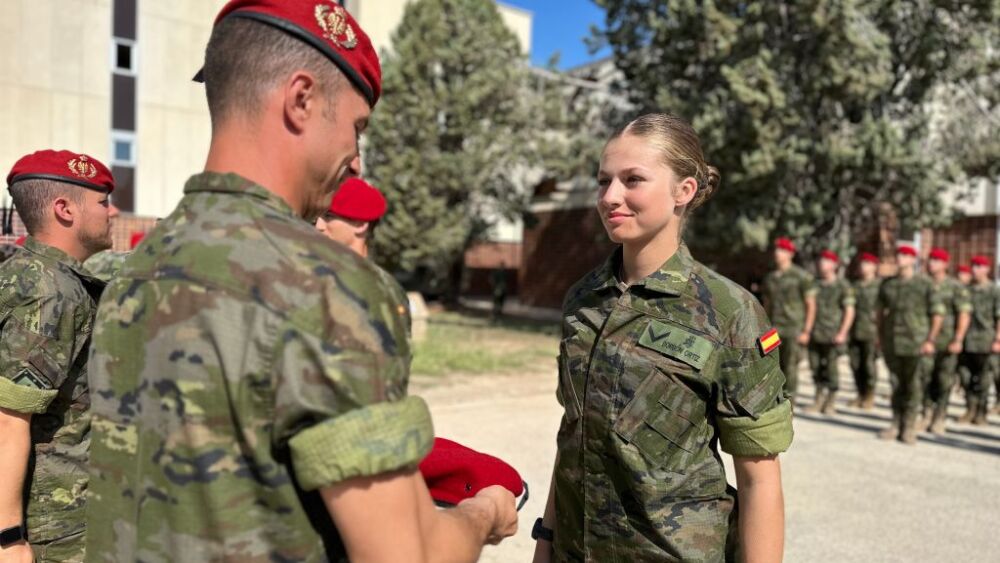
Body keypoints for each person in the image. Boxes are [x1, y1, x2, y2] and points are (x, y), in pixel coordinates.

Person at [84, 2, 516, 562]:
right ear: (302, 99)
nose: (356, 160)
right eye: (357, 129)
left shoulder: (127, 272)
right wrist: (483, 512)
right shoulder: (329, 287)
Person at [534, 114, 792, 563]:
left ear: (683, 191)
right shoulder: (584, 300)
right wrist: (546, 544)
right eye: (603, 181)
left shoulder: (730, 312)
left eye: (633, 180)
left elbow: (759, 477)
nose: (610, 197)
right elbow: (573, 436)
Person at [0, 150, 118, 563]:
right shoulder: (51, 291)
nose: (113, 211)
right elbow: (8, 417)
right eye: (103, 202)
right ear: (64, 209)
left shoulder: (25, 271)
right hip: (54, 524)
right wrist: (8, 538)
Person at [315, 177, 410, 333]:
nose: (318, 225)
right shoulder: (314, 274)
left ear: (360, 225)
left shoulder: (384, 291)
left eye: (329, 217)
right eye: (317, 217)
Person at [876, 244, 945, 444]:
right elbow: (880, 313)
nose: (901, 258)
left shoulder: (925, 284)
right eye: (899, 254)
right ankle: (896, 422)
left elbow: (937, 314)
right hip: (893, 342)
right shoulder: (887, 284)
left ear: (913, 260)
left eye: (906, 255)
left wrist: (930, 339)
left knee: (914, 386)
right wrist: (879, 337)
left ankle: (910, 426)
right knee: (896, 385)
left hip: (917, 344)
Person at [920, 248, 970, 434]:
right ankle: (925, 414)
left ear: (945, 264)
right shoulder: (922, 284)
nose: (931, 263)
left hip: (947, 341)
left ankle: (939, 417)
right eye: (930, 259)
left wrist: (958, 339)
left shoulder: (955, 287)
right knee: (924, 378)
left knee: (944, 380)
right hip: (924, 340)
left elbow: (964, 314)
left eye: (936, 260)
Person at [762, 237, 817, 402]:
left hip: (793, 329)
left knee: (790, 366)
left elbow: (811, 305)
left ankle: (789, 401)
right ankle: (772, 398)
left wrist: (806, 331)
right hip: (772, 330)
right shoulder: (770, 278)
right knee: (769, 364)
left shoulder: (802, 277)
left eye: (783, 250)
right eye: (777, 250)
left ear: (791, 254)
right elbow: (767, 305)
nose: (778, 253)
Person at [804, 249, 855, 415]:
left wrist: (842, 332)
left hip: (833, 334)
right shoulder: (814, 284)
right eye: (820, 261)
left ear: (834, 265)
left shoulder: (843, 286)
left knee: (832, 368)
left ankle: (831, 400)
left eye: (826, 261)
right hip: (815, 332)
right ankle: (818, 399)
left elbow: (849, 311)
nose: (821, 264)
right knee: (815, 366)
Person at [957, 255, 1000, 425]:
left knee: (983, 379)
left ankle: (981, 412)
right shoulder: (965, 290)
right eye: (973, 266)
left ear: (987, 269)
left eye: (979, 266)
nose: (975, 270)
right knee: (965, 377)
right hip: (966, 341)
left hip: (985, 341)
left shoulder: (994, 291)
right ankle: (970, 408)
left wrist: (998, 339)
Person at [848, 252, 881, 409]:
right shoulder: (855, 286)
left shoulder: (880, 286)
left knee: (869, 364)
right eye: (862, 264)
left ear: (874, 267)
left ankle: (870, 394)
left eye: (867, 264)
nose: (863, 267)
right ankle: (860, 393)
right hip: (855, 330)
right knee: (855, 363)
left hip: (871, 331)